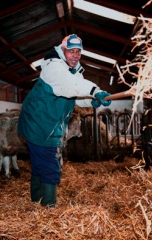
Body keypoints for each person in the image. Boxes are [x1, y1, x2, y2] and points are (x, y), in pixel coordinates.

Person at [17, 34, 112, 207]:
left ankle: (35, 203)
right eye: (71, 51)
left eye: (78, 52)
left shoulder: (72, 70)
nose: (75, 55)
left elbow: (74, 96)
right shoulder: (54, 67)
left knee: (39, 164)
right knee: (50, 166)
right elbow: (68, 86)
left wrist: (91, 100)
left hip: (42, 123)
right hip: (40, 124)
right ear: (62, 50)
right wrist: (95, 90)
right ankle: (49, 209)